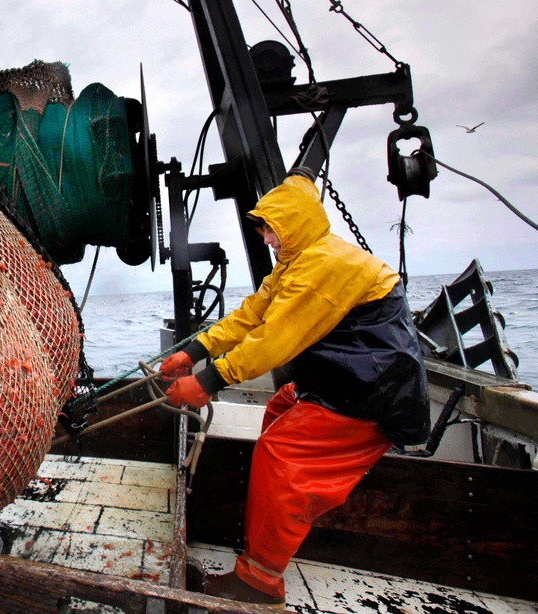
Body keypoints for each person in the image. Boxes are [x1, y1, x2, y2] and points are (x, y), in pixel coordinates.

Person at [159, 168, 431, 607]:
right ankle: (273, 527)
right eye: (264, 229)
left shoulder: (323, 267)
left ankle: (259, 584)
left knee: (280, 454)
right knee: (280, 408)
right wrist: (195, 350)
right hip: (341, 379)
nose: (266, 238)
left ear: (294, 224)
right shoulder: (297, 261)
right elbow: (252, 315)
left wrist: (209, 381)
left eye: (270, 229)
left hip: (372, 395)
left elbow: (275, 339)